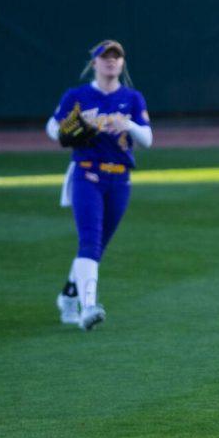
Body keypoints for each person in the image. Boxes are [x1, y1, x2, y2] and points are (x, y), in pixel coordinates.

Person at [45, 40, 152, 331]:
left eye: (116, 56)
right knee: (90, 241)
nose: (111, 61)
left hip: (120, 179)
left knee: (97, 246)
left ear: (122, 63)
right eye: (105, 57)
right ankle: (88, 306)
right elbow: (53, 127)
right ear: (94, 63)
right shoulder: (77, 96)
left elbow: (148, 139)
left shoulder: (132, 98)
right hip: (86, 174)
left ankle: (68, 295)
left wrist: (127, 124)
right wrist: (73, 125)